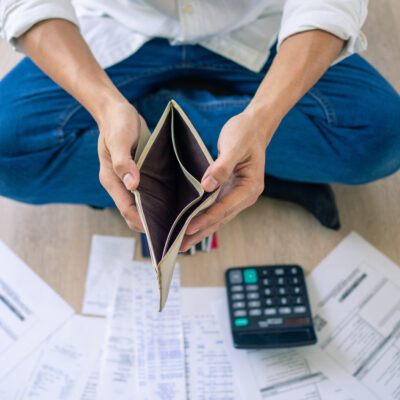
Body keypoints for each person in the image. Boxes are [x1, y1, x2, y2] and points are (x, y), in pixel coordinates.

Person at [0, 1, 399, 251]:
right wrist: (105, 106)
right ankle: (247, 163)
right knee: (6, 153)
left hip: (262, 26)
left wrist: (263, 119)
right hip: (116, 28)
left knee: (382, 138)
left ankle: (165, 142)